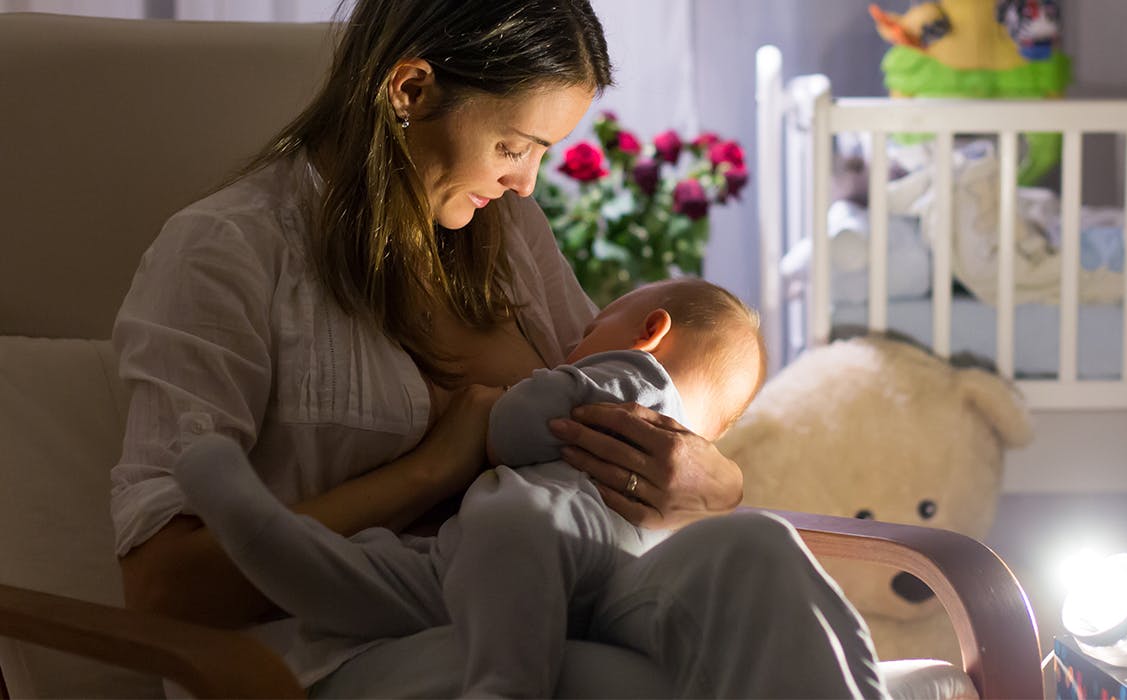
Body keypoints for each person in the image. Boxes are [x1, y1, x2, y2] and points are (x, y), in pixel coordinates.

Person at [109, 0, 887, 696]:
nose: (526, 184)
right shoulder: (225, 253)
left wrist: (710, 482)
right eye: (516, 146)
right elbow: (164, 589)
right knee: (622, 685)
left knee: (759, 554)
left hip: (559, 588)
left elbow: (619, 387)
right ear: (409, 91)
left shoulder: (509, 236)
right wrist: (431, 469)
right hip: (338, 645)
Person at [175, 277, 766, 697]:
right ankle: (274, 540)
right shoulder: (668, 421)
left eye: (588, 328)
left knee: (408, 586)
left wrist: (506, 406)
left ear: (651, 332)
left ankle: (268, 535)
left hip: (529, 533)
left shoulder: (631, 377)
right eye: (516, 146)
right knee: (394, 577)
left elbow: (518, 426)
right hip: (541, 574)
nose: (569, 344)